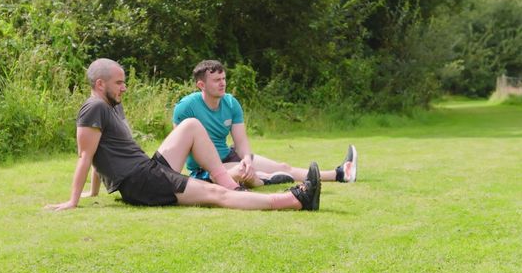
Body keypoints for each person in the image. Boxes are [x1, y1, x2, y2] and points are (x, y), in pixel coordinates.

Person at [45, 58, 322, 212]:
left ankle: (228, 181)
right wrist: (73, 200)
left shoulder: (111, 106)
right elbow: (86, 155)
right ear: (99, 83)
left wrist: (95, 191)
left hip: (145, 170)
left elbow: (103, 153)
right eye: (119, 83)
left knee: (190, 125)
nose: (124, 87)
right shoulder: (93, 108)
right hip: (141, 182)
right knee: (214, 194)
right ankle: (295, 199)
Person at [172, 59, 357, 188]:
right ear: (201, 85)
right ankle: (264, 180)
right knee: (244, 173)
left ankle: (340, 174)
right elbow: (181, 145)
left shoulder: (231, 103)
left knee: (283, 167)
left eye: (224, 79)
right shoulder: (186, 107)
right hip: (206, 168)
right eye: (216, 80)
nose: (223, 84)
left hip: (229, 155)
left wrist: (246, 158)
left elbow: (241, 141)